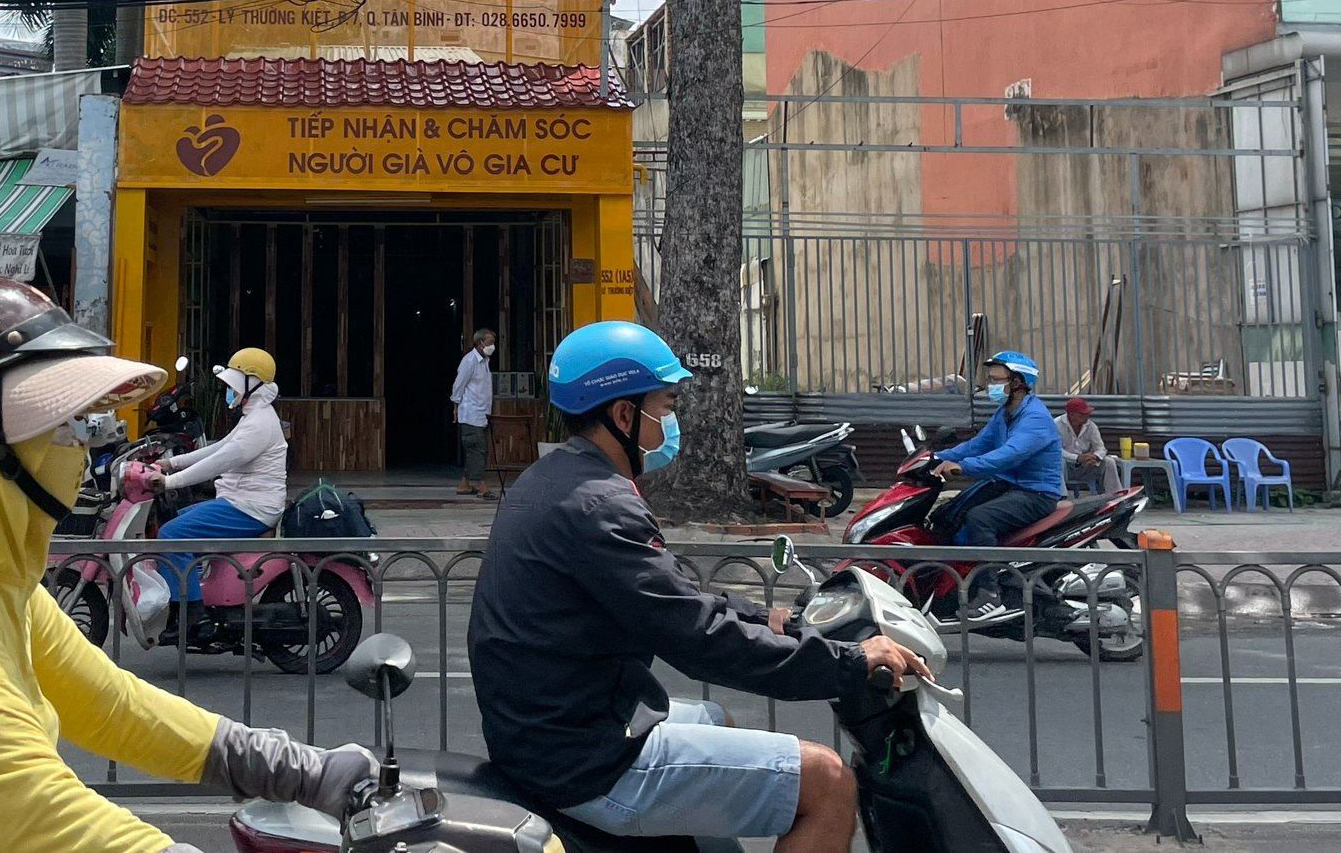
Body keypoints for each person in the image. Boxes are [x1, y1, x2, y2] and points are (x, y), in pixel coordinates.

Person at [0, 279, 371, 853]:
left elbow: (112, 704)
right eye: (62, 424)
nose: (80, 444)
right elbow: (25, 799)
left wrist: (301, 771)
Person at [469, 320, 928, 853]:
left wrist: (769, 618)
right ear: (623, 414)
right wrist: (849, 662)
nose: (669, 421)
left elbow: (673, 596)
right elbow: (698, 637)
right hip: (584, 756)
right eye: (663, 407)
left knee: (716, 720)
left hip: (551, 729)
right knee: (828, 782)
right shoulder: (600, 505)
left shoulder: (554, 480)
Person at [147, 347, 288, 605]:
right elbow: (218, 447)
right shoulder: (254, 416)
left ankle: (189, 612)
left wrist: (170, 481)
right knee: (171, 520)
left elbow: (218, 462)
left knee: (170, 534)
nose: (230, 391)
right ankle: (196, 589)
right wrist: (169, 463)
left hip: (250, 507)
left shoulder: (259, 424)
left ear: (251, 385)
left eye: (234, 385)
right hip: (240, 501)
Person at [930, 349, 1066, 550]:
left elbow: (1007, 456)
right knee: (946, 515)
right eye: (990, 380)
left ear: (1017, 382)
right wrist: (933, 458)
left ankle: (987, 579)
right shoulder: (1004, 413)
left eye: (996, 380)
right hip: (1007, 486)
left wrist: (962, 467)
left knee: (980, 519)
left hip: (1035, 493)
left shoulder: (1035, 418)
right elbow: (977, 445)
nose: (990, 386)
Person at [450, 328, 497, 499]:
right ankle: (482, 486)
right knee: (477, 449)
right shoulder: (469, 361)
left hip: (482, 413)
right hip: (470, 413)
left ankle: (464, 484)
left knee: (475, 450)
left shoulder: (485, 361)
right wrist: (456, 407)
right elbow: (458, 385)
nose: (492, 346)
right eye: (490, 342)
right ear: (479, 343)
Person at [1056, 396, 1120, 494]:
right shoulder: (1057, 424)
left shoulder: (1091, 426)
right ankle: (1060, 497)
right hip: (1066, 467)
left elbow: (1101, 448)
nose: (1087, 415)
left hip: (1086, 466)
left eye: (1087, 413)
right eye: (1082, 414)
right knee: (1059, 461)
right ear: (1072, 415)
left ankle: (1116, 496)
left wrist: (1095, 456)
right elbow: (1056, 450)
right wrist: (1077, 458)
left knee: (1109, 462)